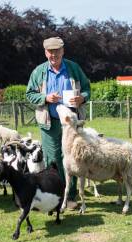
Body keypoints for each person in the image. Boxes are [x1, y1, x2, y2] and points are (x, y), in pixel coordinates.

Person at [26, 37, 91, 210]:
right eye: (50, 51)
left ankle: (70, 197)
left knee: (73, 158)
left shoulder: (73, 68)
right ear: (45, 52)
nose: (53, 55)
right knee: (53, 159)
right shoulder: (39, 72)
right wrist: (45, 98)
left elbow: (87, 88)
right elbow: (29, 94)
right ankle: (55, 195)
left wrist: (82, 98)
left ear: (63, 51)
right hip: (50, 123)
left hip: (71, 124)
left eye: (57, 51)